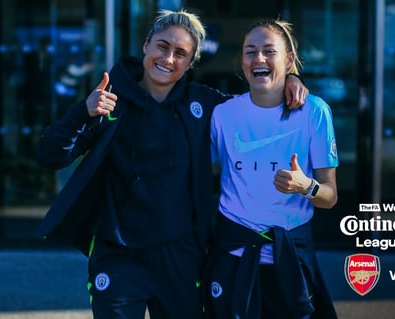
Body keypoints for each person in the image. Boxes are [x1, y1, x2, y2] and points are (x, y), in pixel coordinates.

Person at [35, 9, 308, 319]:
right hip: (118, 253)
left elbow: (256, 104)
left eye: (181, 53)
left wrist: (290, 78)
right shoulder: (110, 101)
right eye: (162, 46)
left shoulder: (203, 104)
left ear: (190, 63)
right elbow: (50, 156)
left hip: (179, 255)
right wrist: (83, 111)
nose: (169, 58)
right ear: (146, 46)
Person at [206, 19, 339, 318]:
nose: (259, 59)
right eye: (250, 52)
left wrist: (306, 186)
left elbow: (330, 197)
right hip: (233, 257)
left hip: (290, 260)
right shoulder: (223, 114)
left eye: (269, 51)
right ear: (241, 62)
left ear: (289, 59)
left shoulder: (315, 112)